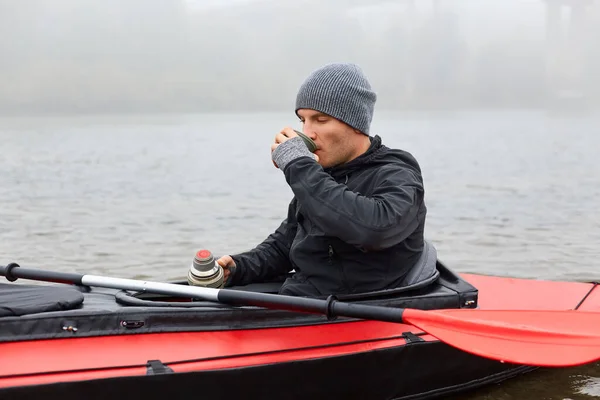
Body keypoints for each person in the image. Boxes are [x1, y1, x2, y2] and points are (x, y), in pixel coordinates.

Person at [217, 62, 427, 297]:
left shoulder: (397, 171)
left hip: (355, 309)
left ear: (355, 123)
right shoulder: (322, 174)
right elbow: (286, 245)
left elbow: (375, 229)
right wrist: (238, 267)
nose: (307, 133)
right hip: (302, 297)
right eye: (302, 120)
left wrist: (299, 166)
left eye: (320, 119)